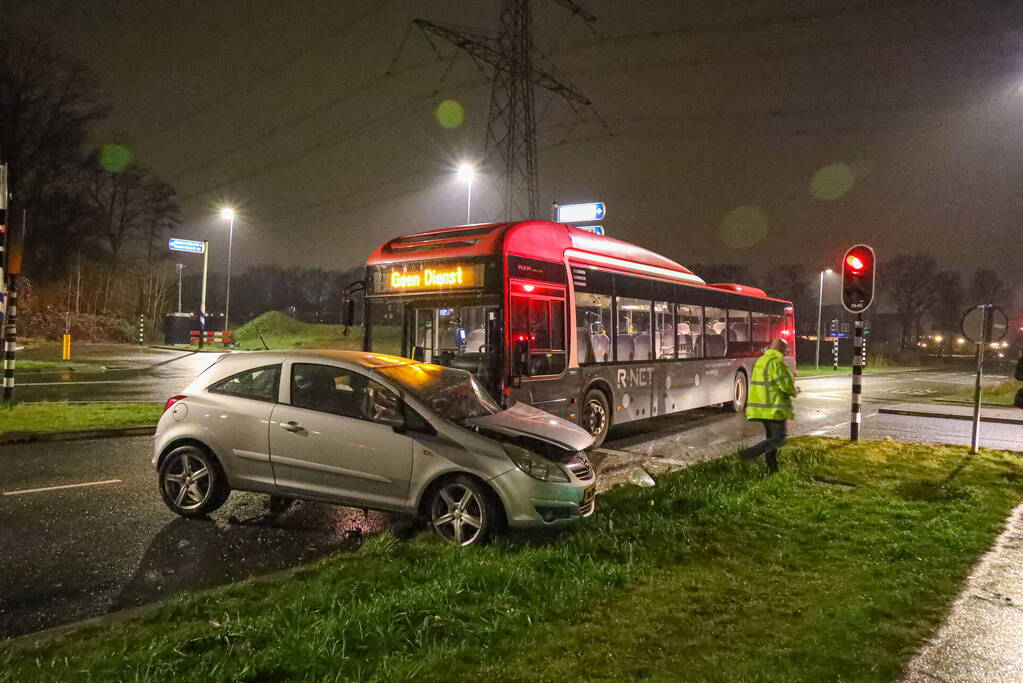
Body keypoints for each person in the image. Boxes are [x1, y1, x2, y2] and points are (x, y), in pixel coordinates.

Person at [740, 337, 798, 472]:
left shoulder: (761, 361)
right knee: (779, 439)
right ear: (781, 349)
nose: (785, 352)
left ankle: (772, 468)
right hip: (774, 408)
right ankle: (750, 453)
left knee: (771, 439)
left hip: (762, 408)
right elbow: (785, 385)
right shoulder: (776, 363)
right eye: (785, 349)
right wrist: (794, 391)